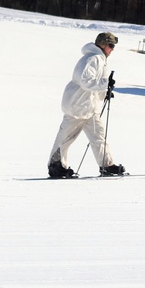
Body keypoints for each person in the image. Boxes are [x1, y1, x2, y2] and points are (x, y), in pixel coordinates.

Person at [47, 32, 126, 178]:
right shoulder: (91, 59)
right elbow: (84, 80)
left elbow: (96, 83)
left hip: (91, 107)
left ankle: (107, 165)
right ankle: (56, 166)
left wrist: (105, 92)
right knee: (65, 138)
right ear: (103, 45)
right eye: (111, 45)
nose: (112, 49)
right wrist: (105, 84)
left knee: (99, 137)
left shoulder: (101, 59)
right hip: (78, 106)